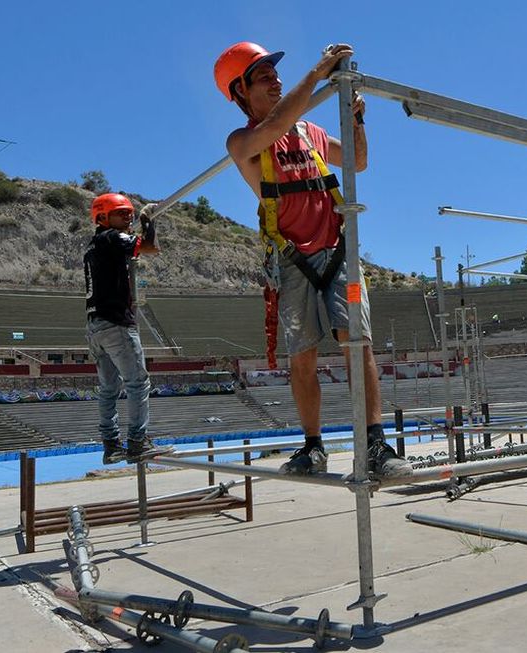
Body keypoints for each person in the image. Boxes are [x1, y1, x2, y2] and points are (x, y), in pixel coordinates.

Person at [215, 41, 409, 477]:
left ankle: (376, 444)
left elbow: (358, 161)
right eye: (263, 75)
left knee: (357, 344)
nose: (276, 80)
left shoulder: (310, 133)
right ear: (240, 91)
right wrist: (318, 72)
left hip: (337, 253)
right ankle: (313, 446)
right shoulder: (243, 141)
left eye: (275, 73)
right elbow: (274, 126)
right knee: (302, 355)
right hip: (292, 260)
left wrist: (357, 121)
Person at [84, 193, 172, 464]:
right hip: (115, 323)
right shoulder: (110, 238)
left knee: (109, 388)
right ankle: (137, 441)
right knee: (137, 383)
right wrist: (148, 221)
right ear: (102, 217)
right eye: (120, 213)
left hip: (95, 325)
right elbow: (150, 247)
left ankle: (111, 446)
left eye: (131, 212)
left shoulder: (94, 245)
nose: (128, 216)